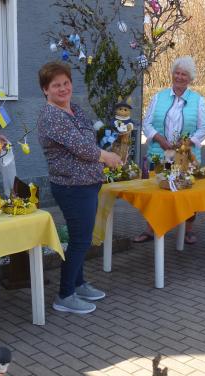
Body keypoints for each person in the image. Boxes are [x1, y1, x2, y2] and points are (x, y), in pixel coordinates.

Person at [37, 61, 122, 315]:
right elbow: (83, 148)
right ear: (45, 89)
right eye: (56, 85)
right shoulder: (51, 116)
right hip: (72, 187)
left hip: (87, 184)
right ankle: (65, 295)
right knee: (80, 240)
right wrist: (107, 157)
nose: (63, 88)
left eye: (66, 83)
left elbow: (89, 140)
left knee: (81, 238)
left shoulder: (74, 109)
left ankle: (78, 283)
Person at [135, 56, 205, 244]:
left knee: (187, 195)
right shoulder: (158, 97)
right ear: (172, 74)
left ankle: (188, 230)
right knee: (156, 194)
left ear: (190, 78)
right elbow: (147, 123)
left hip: (186, 155)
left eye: (184, 74)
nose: (179, 77)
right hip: (159, 153)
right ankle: (150, 229)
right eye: (177, 73)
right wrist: (159, 139)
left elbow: (204, 128)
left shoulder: (198, 100)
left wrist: (187, 143)